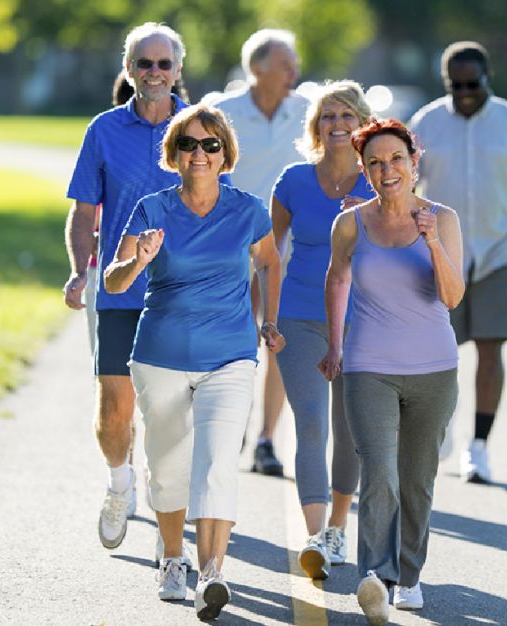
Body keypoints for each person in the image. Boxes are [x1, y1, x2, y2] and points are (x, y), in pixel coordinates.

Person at [103, 103, 284, 620]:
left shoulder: (248, 209)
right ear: (174, 154)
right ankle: (173, 559)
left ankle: (211, 575)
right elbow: (114, 281)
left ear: (225, 153)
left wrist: (269, 321)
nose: (199, 153)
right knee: (167, 466)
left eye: (210, 144)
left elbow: (269, 261)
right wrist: (137, 260)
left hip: (229, 356)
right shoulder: (152, 210)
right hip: (160, 356)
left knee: (217, 463)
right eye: (189, 144)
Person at [318, 118, 464, 625]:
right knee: (379, 471)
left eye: (396, 159)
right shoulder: (351, 224)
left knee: (417, 478)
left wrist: (433, 244)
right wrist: (335, 345)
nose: (387, 170)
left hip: (434, 369)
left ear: (414, 162)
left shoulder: (442, 218)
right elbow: (337, 280)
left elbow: (451, 296)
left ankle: (410, 576)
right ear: (364, 169)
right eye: (375, 163)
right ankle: (376, 580)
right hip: (368, 366)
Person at [63, 22, 188, 551]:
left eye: (164, 64)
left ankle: (169, 517)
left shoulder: (200, 129)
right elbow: (83, 212)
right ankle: (120, 483)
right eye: (144, 64)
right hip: (117, 290)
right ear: (129, 70)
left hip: (182, 294)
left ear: (178, 71)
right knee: (115, 409)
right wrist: (78, 269)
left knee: (170, 413)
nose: (154, 73)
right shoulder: (104, 129)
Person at [410, 41, 507, 484]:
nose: (466, 92)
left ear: (488, 78)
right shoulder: (426, 123)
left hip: (499, 252)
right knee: (437, 353)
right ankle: (442, 426)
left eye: (474, 84)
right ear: (446, 82)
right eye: (457, 85)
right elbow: (409, 192)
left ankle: (479, 448)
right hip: (442, 256)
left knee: (492, 349)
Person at [271, 80, 371, 579]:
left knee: (350, 431)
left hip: (363, 322)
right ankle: (314, 537)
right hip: (299, 316)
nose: (337, 124)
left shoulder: (382, 180)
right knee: (310, 422)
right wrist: (264, 318)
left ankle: (336, 526)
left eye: (347, 116)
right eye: (328, 116)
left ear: (363, 125)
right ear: (316, 126)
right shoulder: (293, 181)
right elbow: (268, 256)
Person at [210, 28, 309, 478]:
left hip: (286, 251)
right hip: (230, 249)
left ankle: (267, 439)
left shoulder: (307, 112)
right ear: (258, 69)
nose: (294, 73)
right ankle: (231, 430)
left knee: (278, 342)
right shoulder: (221, 113)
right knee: (233, 342)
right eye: (285, 65)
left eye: (294, 65)